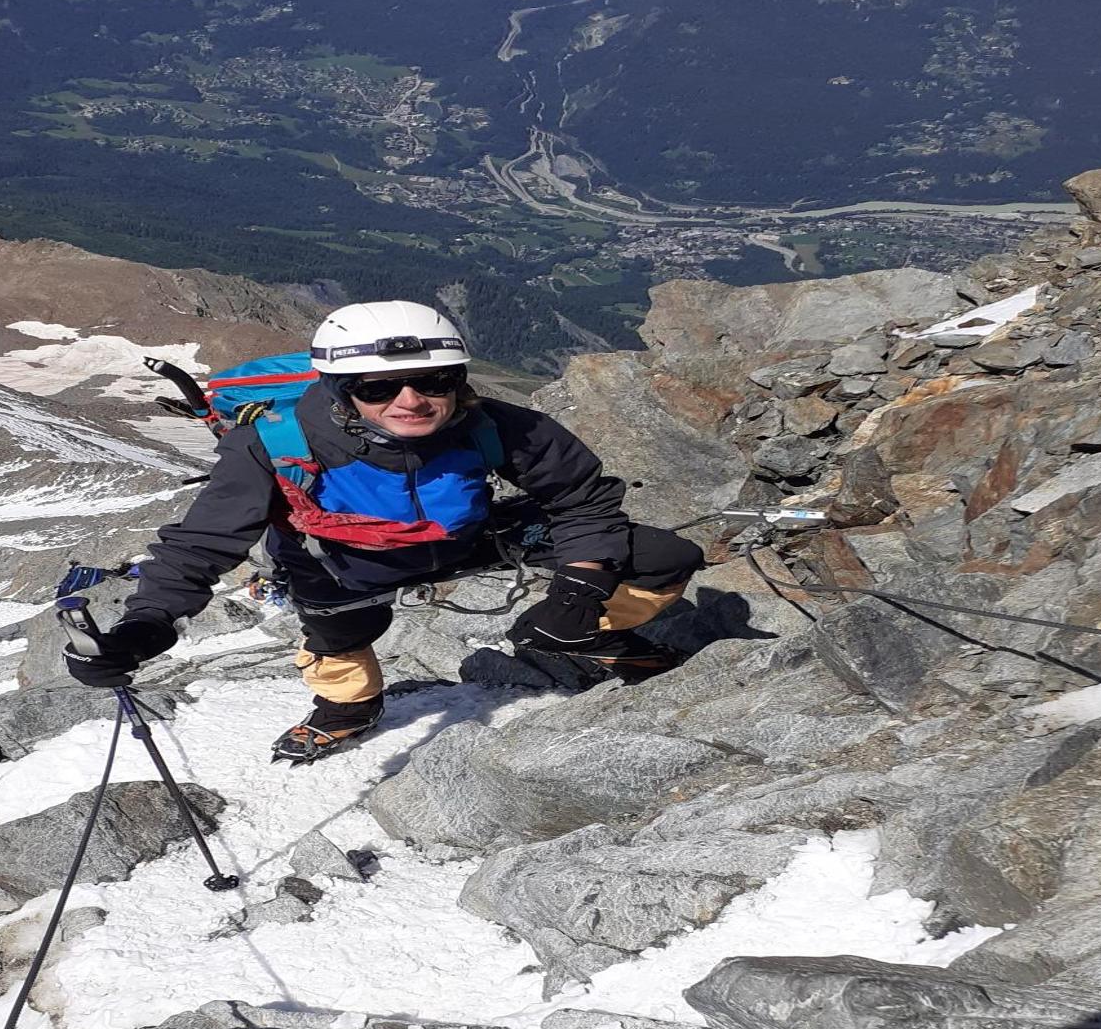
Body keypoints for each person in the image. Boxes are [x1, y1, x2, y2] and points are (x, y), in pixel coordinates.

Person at [64, 300, 704, 761]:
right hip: (338, 560)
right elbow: (201, 547)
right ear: (341, 390)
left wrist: (580, 591)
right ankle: (349, 708)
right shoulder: (273, 444)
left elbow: (582, 500)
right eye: (377, 387)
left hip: (467, 537)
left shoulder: (499, 424)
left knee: (664, 557)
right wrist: (143, 629)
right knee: (340, 639)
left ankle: (584, 636)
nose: (411, 400)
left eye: (434, 381)